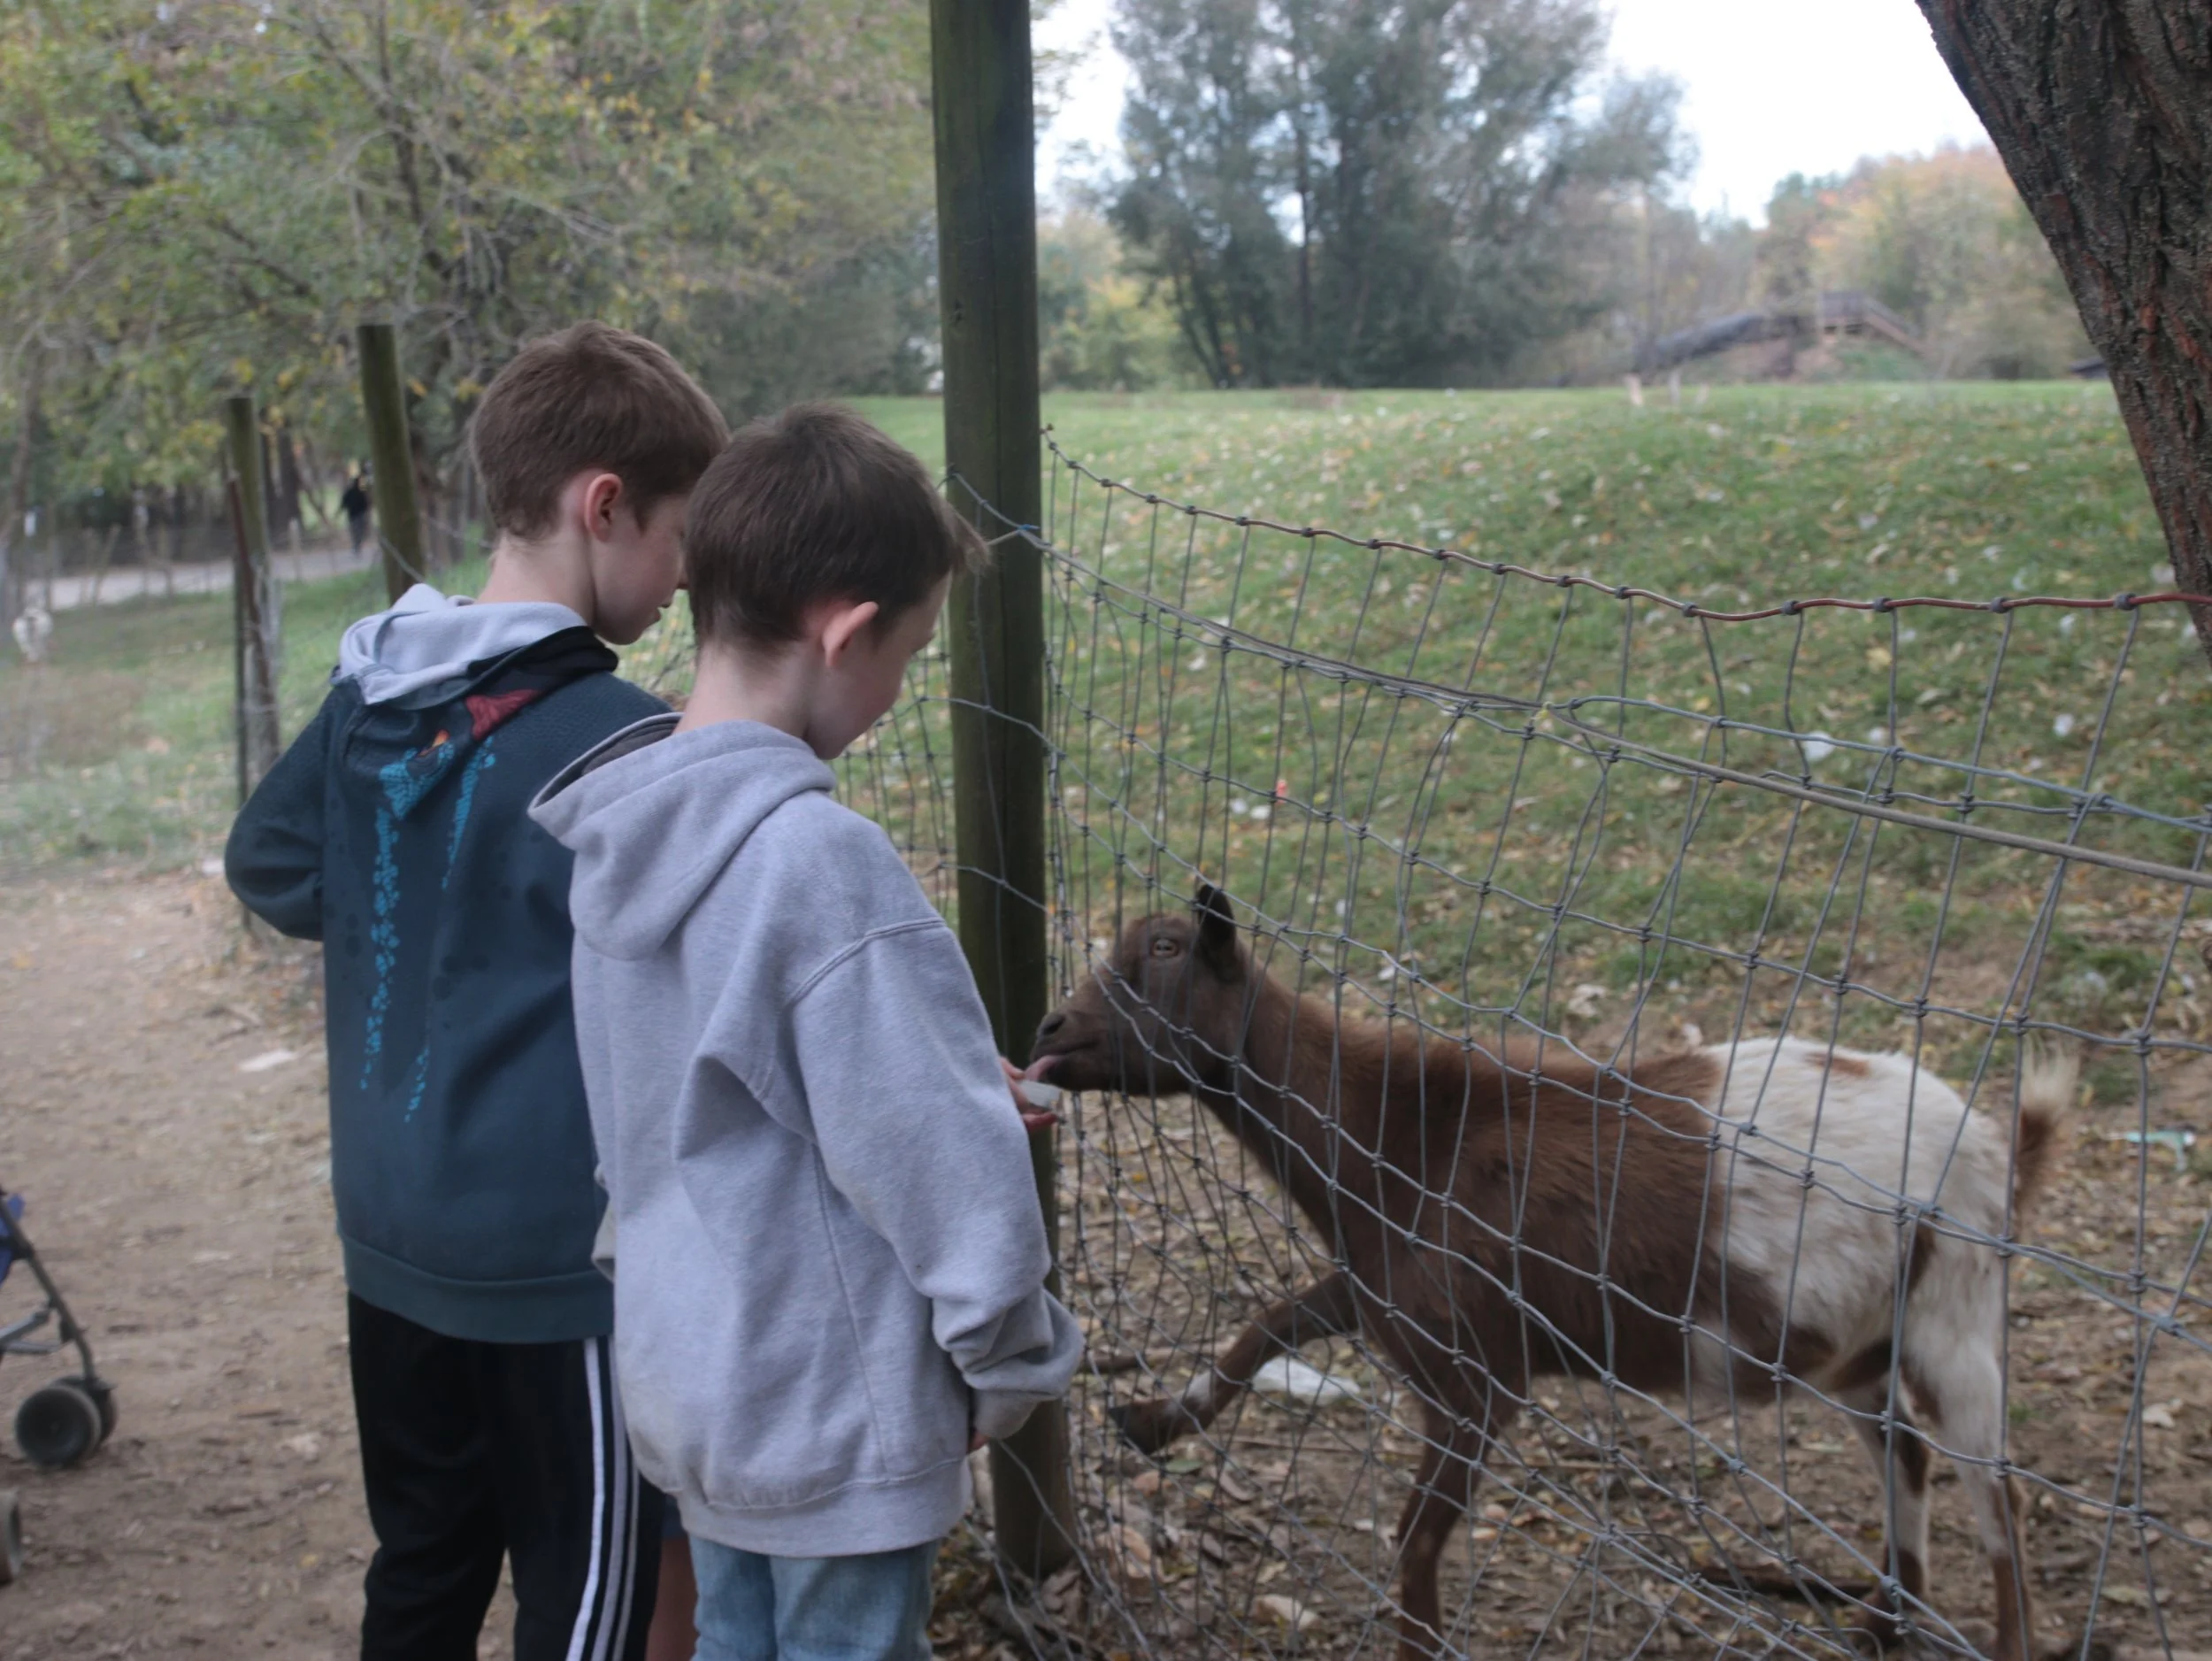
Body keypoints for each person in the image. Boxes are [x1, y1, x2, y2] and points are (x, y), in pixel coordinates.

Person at [529, 404, 1083, 1661]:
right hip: (831, 1409)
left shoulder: (617, 846)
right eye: (911, 649)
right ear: (844, 631)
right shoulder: (818, 865)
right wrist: (1008, 1356)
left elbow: (663, 1112)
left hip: (696, 1385)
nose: (900, 686)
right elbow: (934, 1154)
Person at [226, 321, 727, 1661]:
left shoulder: (376, 692)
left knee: (424, 1567)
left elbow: (268, 862)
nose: (687, 576)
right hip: (554, 1274)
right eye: (681, 535)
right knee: (589, 1609)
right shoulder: (625, 744)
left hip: (388, 1236)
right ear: (603, 504)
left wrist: (409, 901)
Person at [341, 471, 372, 557]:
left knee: (358, 532)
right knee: (356, 532)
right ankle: (356, 546)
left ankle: (357, 545)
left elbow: (365, 505)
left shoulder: (360, 493)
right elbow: (344, 503)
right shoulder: (351, 493)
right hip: (354, 516)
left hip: (357, 516)